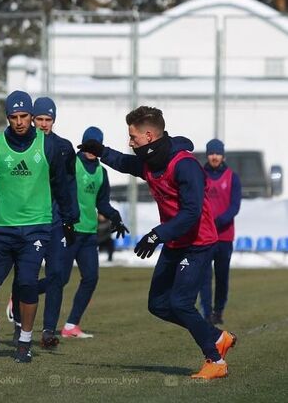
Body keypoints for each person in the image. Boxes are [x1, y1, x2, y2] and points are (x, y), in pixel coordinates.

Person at [79, 106, 236, 379]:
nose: (129, 142)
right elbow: (125, 163)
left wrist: (156, 235)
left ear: (149, 136)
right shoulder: (150, 161)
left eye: (132, 137)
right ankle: (216, 337)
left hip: (198, 243)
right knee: (158, 305)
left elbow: (191, 214)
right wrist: (101, 151)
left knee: (181, 303)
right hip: (175, 242)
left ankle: (215, 361)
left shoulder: (185, 165)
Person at [0, 90, 76, 363]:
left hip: (36, 229)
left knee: (26, 284)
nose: (20, 121)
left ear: (32, 117)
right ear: (7, 117)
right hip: (0, 230)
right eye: (14, 117)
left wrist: (70, 219)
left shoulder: (46, 147)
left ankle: (24, 342)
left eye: (25, 116)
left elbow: (62, 186)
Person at [8, 96, 80, 349]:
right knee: (24, 276)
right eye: (39, 119)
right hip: (29, 221)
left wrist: (72, 218)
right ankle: (19, 323)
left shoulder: (63, 147)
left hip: (56, 220)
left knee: (57, 275)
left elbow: (70, 185)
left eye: (48, 119)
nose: (43, 124)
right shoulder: (22, 146)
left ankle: (48, 330)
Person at [58, 126, 128, 340]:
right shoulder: (72, 163)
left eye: (95, 145)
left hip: (89, 233)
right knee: (59, 279)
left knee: (91, 278)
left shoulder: (101, 172)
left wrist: (115, 216)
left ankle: (71, 325)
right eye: (88, 144)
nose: (91, 149)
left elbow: (102, 202)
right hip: (69, 230)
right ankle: (21, 295)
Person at [199, 139, 241, 324]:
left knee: (222, 277)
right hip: (205, 236)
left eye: (217, 153)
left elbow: (234, 206)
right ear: (207, 155)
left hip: (224, 236)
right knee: (204, 276)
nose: (214, 157)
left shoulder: (232, 177)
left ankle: (218, 310)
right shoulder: (200, 175)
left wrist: (219, 221)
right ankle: (207, 313)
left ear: (223, 155)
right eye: (211, 153)